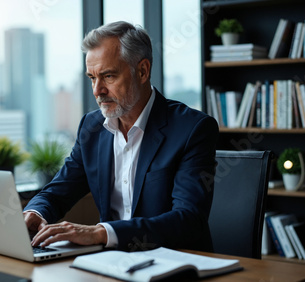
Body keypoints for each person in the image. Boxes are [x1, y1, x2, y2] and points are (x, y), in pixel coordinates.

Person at [23, 21, 218, 252]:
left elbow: (188, 220)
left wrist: (101, 233)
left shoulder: (192, 129)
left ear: (143, 71)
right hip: (110, 263)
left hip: (175, 263)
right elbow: (58, 191)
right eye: (92, 78)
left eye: (108, 76)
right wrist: (36, 212)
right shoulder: (91, 127)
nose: (97, 90)